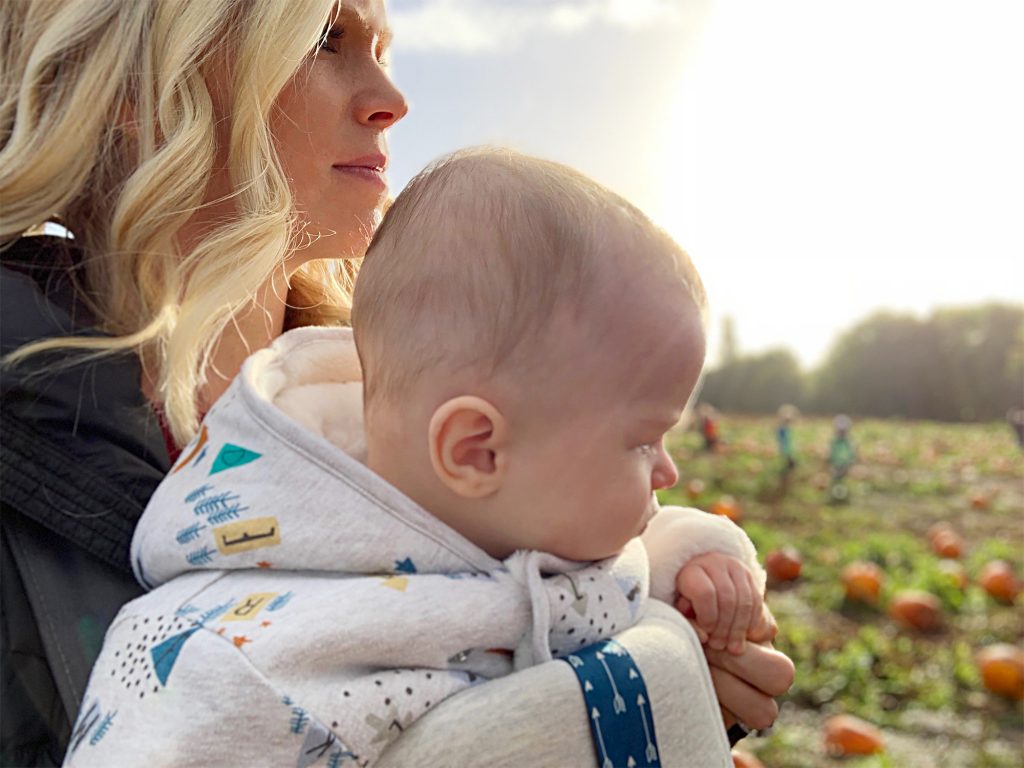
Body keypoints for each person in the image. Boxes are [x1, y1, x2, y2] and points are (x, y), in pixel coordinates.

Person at [1, 1, 792, 764]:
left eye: (381, 51)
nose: (392, 101)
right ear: (139, 87)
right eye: (324, 39)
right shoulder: (21, 451)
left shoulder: (434, 390)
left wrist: (653, 690)